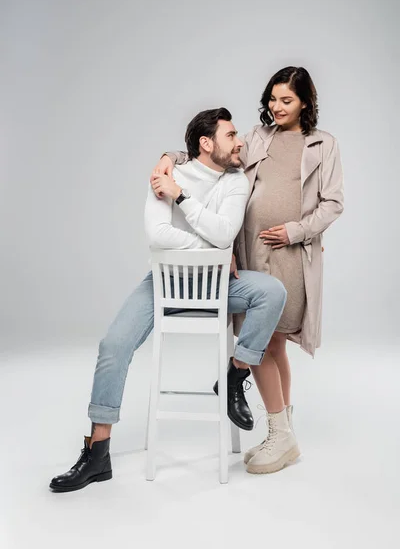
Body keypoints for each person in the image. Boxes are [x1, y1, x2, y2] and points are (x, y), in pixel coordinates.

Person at [49, 107, 288, 492]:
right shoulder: (166, 172)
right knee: (113, 346)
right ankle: (97, 452)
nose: (240, 141)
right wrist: (211, 249)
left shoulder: (235, 182)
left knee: (272, 292)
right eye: (231, 135)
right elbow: (158, 236)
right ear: (206, 143)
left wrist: (182, 198)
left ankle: (234, 374)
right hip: (164, 284)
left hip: (217, 287)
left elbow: (226, 231)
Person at [151, 66, 344, 474]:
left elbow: (332, 203)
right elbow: (220, 155)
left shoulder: (323, 144)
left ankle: (280, 435)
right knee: (265, 341)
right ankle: (283, 435)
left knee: (271, 342)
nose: (276, 107)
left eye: (286, 100)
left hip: (291, 255)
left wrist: (295, 230)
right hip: (250, 252)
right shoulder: (258, 138)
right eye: (272, 99)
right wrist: (171, 156)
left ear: (306, 102)